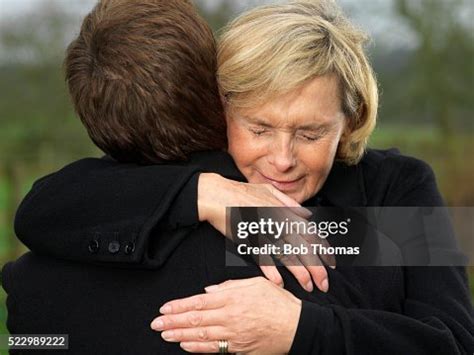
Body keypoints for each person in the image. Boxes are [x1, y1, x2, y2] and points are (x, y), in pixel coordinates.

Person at [5, 0, 473, 354]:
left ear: (351, 121)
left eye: (310, 133)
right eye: (259, 129)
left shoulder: (398, 189)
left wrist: (299, 329)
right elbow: (46, 206)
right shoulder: (153, 179)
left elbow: (453, 341)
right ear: (222, 109)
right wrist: (203, 193)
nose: (282, 159)